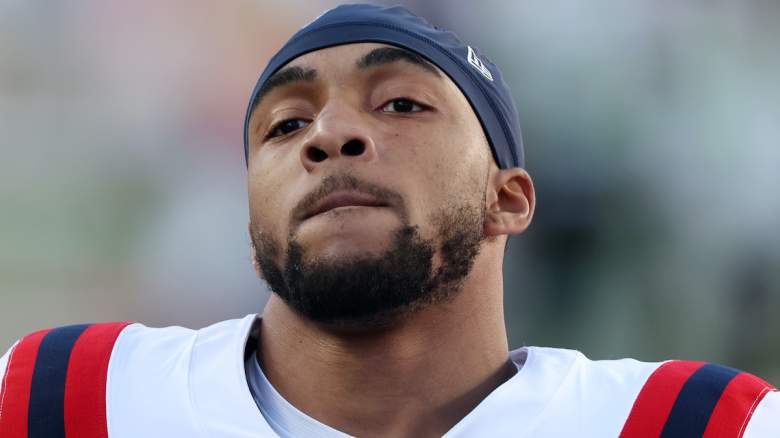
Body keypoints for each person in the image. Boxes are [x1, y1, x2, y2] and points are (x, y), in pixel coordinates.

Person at [0, 4, 777, 437]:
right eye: (283, 126)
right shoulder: (67, 398)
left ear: (509, 197)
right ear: (249, 213)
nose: (329, 135)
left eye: (401, 103)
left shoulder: (696, 425)